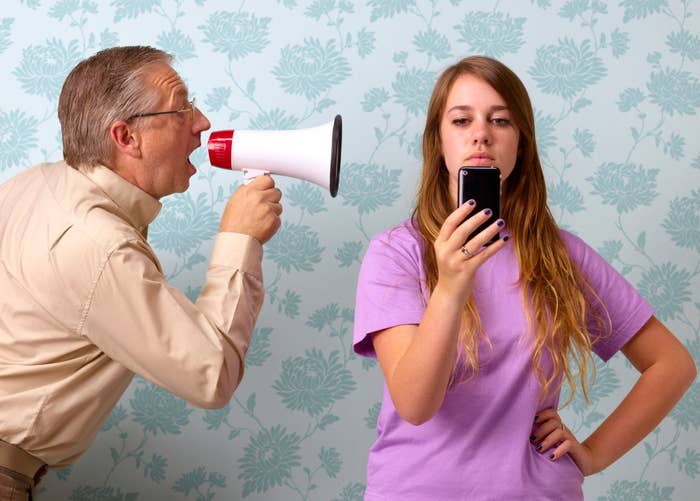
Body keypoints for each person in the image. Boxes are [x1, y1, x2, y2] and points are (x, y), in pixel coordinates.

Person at [353, 55, 696, 500]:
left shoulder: (560, 255)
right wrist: (453, 284)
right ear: (438, 142)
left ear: (521, 143)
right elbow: (416, 405)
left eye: (500, 120)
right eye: (461, 120)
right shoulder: (397, 253)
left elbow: (672, 366)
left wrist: (593, 454)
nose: (481, 133)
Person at [0, 46, 282, 500]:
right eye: (181, 108)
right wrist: (239, 240)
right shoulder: (98, 245)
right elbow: (211, 377)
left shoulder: (34, 183)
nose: (202, 122)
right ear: (126, 137)